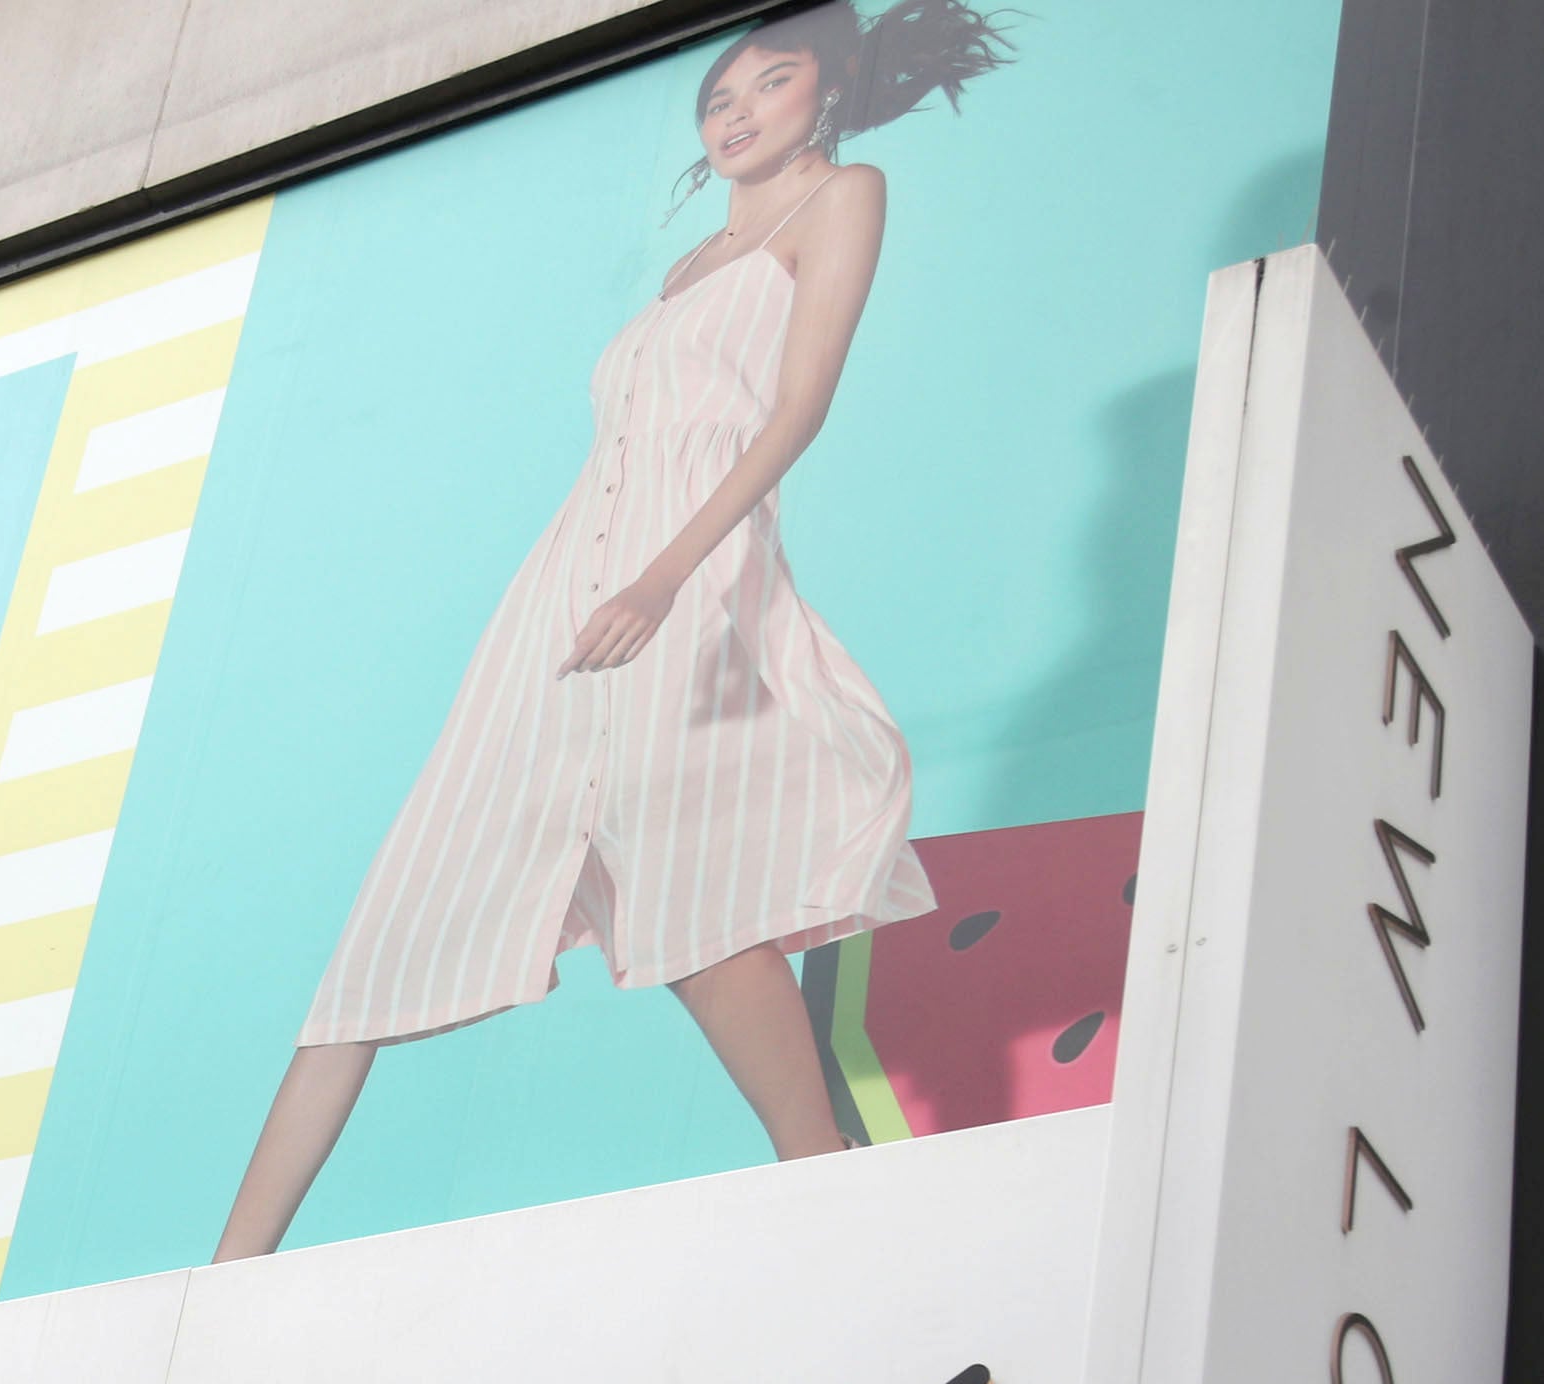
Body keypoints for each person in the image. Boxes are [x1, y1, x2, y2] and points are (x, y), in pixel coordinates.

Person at [216, 0, 1010, 1262]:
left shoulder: (845, 196)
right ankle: (227, 1272)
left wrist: (660, 579)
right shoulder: (685, 267)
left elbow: (794, 413)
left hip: (684, 589)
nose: (737, 110)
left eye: (770, 81)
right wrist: (610, 584)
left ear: (830, 88)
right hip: (556, 602)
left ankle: (823, 1186)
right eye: (718, 94)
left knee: (696, 903)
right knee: (408, 892)